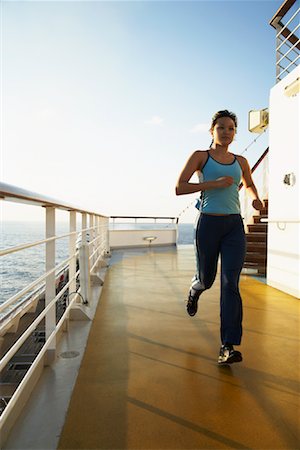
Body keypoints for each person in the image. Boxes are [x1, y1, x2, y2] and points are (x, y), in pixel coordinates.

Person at [175, 110, 263, 365]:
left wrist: (254, 198)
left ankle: (228, 345)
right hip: (208, 223)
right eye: (221, 127)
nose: (226, 132)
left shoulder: (241, 161)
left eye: (231, 128)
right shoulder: (200, 157)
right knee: (207, 279)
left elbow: (248, 183)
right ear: (212, 130)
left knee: (230, 284)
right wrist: (213, 184)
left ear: (235, 133)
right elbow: (180, 187)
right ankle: (195, 289)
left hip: (234, 225)